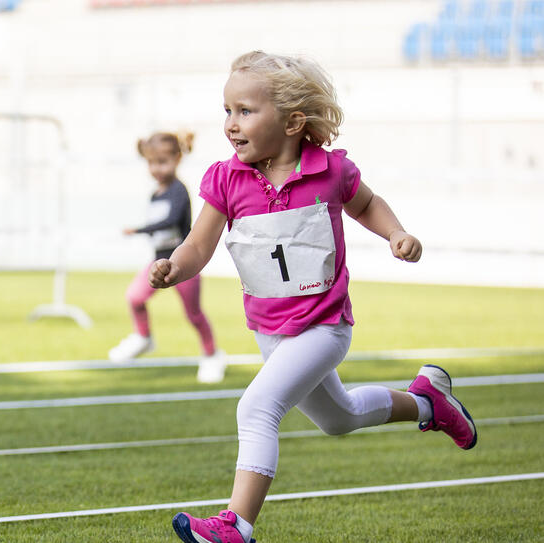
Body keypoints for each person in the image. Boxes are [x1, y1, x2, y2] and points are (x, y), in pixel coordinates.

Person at [150, 51, 477, 543]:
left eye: (244, 111)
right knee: (339, 417)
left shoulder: (331, 172)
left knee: (256, 407)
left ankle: (235, 525)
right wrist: (176, 267)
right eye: (226, 111)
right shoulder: (225, 178)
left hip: (324, 328)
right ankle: (428, 403)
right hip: (270, 330)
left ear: (292, 122)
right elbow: (199, 245)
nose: (230, 125)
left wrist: (396, 234)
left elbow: (367, 204)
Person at [109, 131, 227, 383]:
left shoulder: (178, 191)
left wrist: (139, 229)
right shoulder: (156, 194)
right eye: (151, 163)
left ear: (177, 159)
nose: (156, 169)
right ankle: (143, 337)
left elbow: (171, 220)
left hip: (182, 265)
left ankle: (212, 355)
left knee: (193, 314)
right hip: (157, 263)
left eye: (162, 162)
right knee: (135, 297)